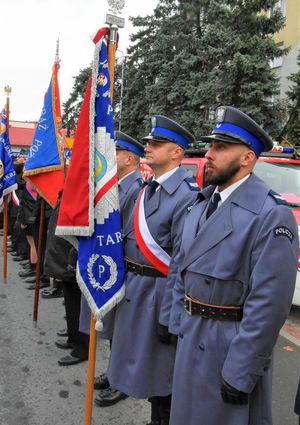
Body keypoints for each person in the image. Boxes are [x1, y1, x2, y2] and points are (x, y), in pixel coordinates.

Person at [168, 106, 298, 425]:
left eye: (221, 147)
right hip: (191, 337)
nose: (209, 154)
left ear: (247, 159)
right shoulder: (201, 203)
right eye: (211, 146)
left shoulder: (270, 215)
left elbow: (268, 305)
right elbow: (180, 268)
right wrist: (176, 324)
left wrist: (242, 369)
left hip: (227, 348)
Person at [106, 116, 200, 425]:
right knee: (147, 369)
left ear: (176, 153)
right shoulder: (148, 188)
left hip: (159, 295)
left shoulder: (186, 195)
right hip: (137, 287)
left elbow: (182, 261)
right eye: (148, 142)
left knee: (162, 372)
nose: (148, 147)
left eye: (156, 143)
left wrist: (169, 315)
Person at [94, 131, 145, 406]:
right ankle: (115, 372)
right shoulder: (118, 184)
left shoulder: (135, 188)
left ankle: (121, 380)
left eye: (115, 153)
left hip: (126, 268)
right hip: (115, 267)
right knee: (117, 328)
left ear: (129, 158)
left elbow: (127, 233)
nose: (109, 157)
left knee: (126, 332)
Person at [43, 190, 90, 366]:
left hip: (75, 254)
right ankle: (73, 337)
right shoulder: (70, 186)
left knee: (79, 304)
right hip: (67, 254)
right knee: (71, 302)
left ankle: (82, 347)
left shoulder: (85, 186)